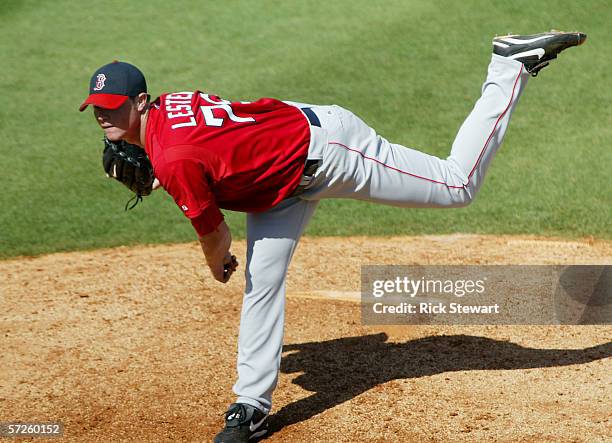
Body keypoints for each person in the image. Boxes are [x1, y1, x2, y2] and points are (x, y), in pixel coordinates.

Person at [79, 31, 586, 442]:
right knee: (263, 284)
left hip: (330, 151)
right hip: (280, 177)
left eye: (113, 106)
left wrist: (217, 265)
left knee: (456, 184)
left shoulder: (174, 159)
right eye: (97, 107)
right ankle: (251, 406)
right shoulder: (170, 109)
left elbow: (216, 236)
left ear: (140, 102)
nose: (103, 114)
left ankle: (508, 65)